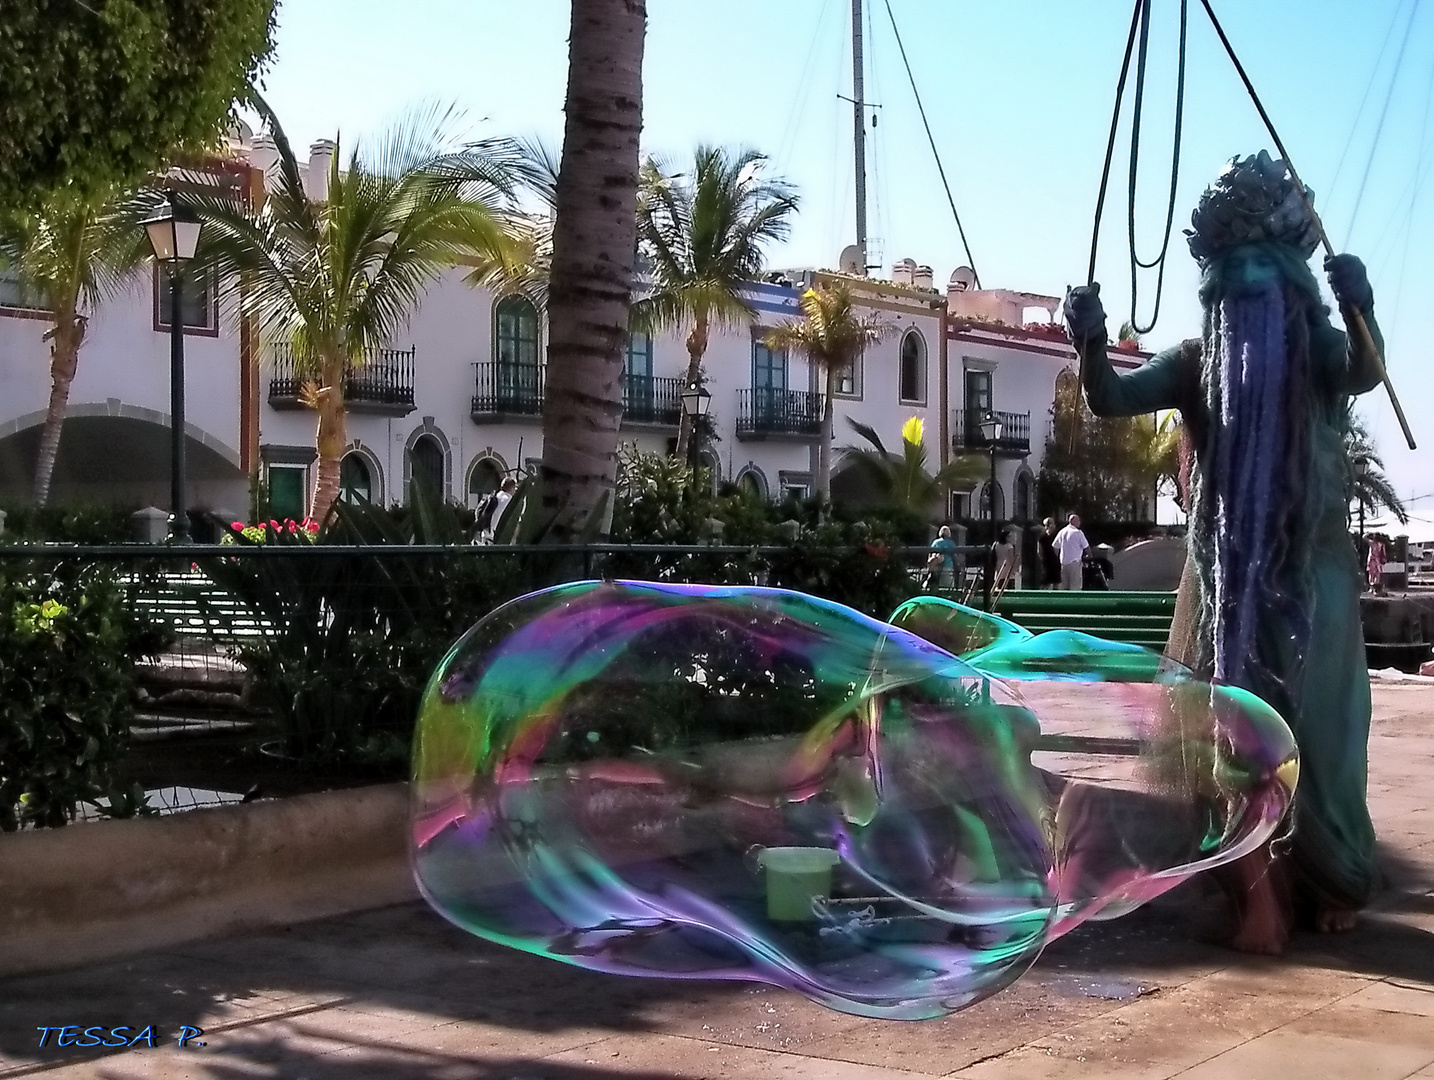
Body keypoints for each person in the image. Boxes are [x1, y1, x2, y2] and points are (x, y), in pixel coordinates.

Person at [1064, 151, 1381, 953]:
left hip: (1319, 575)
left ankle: (1329, 875)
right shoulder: (1193, 363)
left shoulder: (1319, 356)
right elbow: (1109, 398)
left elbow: (1368, 369)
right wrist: (1090, 342)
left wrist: (1361, 306)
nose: (1250, 298)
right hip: (1223, 581)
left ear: (1292, 284)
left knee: (1327, 736)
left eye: (1261, 278)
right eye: (1233, 282)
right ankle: (1258, 892)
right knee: (1229, 733)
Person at [474, 477, 518, 543]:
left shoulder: (496, 496)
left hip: (485, 535)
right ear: (512, 488)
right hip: (497, 538)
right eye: (515, 488)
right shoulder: (509, 501)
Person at [1052, 514, 1089, 591]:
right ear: (1074, 521)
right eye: (1078, 520)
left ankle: (1064, 601)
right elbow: (1086, 547)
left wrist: (1058, 557)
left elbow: (1055, 546)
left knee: (1064, 585)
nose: (1080, 522)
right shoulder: (1078, 532)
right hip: (1075, 562)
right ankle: (1075, 602)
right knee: (1075, 585)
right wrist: (1090, 556)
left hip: (1063, 562)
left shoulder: (1062, 531)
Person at [929, 525, 959, 592]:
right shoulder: (951, 543)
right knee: (948, 587)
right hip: (948, 566)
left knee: (936, 587)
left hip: (936, 568)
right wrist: (958, 565)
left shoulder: (935, 542)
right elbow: (954, 556)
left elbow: (930, 553)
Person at [992, 527, 1020, 592]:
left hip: (998, 568)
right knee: (1009, 588)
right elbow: (1011, 559)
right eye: (1009, 537)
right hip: (1007, 570)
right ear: (1006, 537)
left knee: (998, 587)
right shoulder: (1009, 546)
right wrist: (1014, 568)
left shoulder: (996, 544)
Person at [1037, 518, 1062, 589]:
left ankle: (1055, 595)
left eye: (1051, 524)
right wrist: (1042, 558)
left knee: (1056, 580)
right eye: (1047, 525)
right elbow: (1039, 549)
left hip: (1056, 559)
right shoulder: (1042, 536)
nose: (1049, 526)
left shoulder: (1057, 535)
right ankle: (1042, 595)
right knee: (1045, 580)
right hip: (1046, 560)